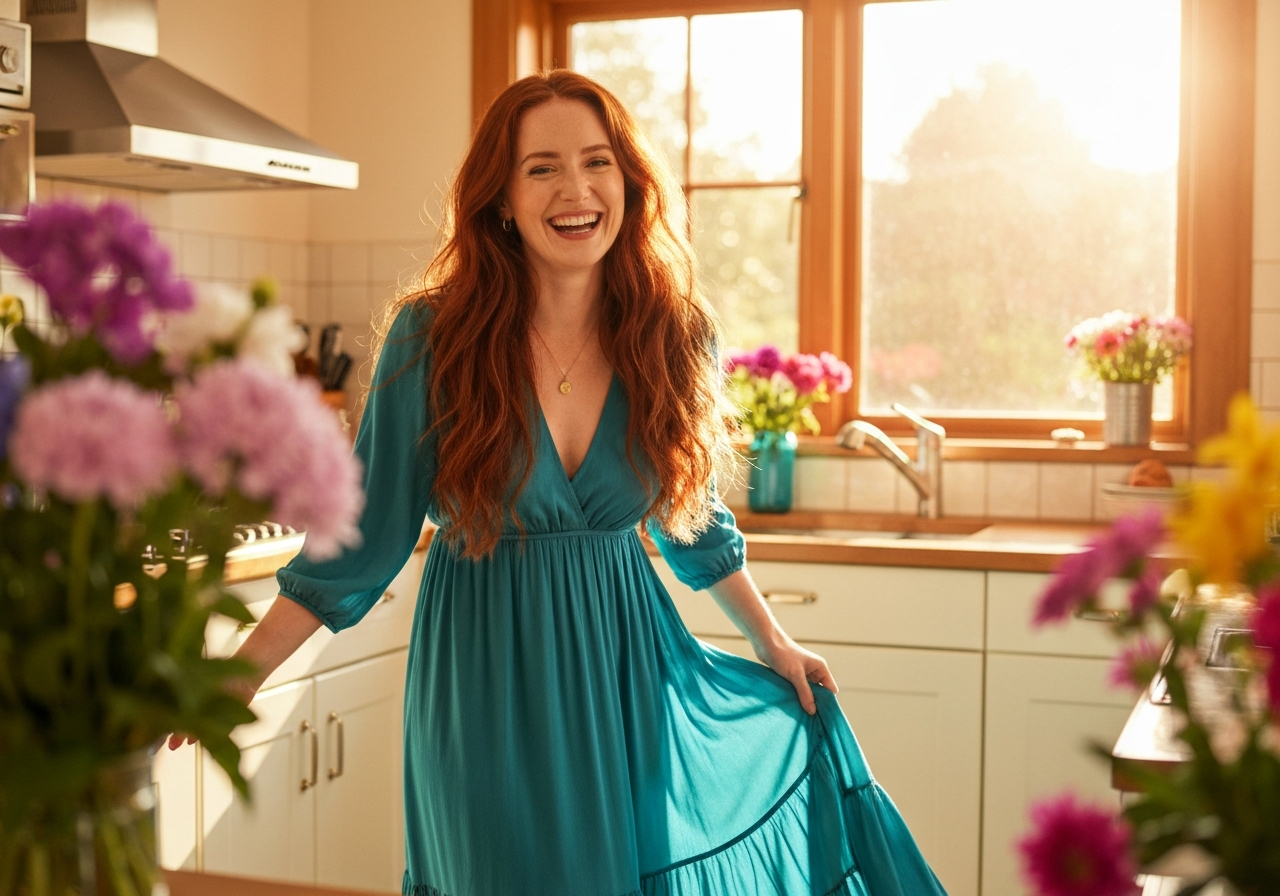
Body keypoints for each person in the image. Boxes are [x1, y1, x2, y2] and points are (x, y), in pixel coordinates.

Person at [177, 70, 948, 896]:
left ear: (628, 182)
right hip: (483, 675)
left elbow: (692, 519)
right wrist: (242, 669)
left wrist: (772, 641)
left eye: (597, 162)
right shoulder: (433, 335)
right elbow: (364, 534)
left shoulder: (673, 332)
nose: (575, 190)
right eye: (541, 167)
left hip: (628, 666)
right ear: (501, 197)